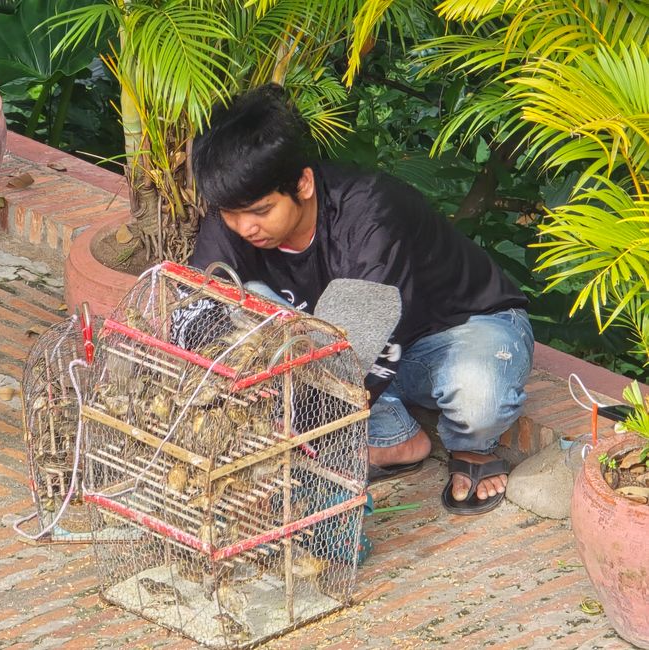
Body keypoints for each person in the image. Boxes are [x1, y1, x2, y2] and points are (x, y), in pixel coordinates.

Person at [189, 84, 534, 515]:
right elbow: (196, 308)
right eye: (230, 213)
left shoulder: (370, 214)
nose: (244, 227)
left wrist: (299, 439)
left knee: (478, 396)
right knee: (238, 301)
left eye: (260, 211)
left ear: (304, 183)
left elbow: (359, 355)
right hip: (361, 352)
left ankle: (471, 447)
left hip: (456, 332)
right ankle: (398, 443)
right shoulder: (234, 218)